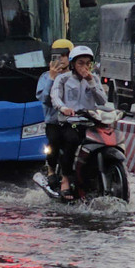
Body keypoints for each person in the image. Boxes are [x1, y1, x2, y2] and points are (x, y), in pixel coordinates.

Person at [50, 45, 108, 199]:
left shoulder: (94, 79)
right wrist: (63, 108)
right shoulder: (63, 79)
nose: (85, 67)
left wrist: (91, 83)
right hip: (70, 122)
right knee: (72, 140)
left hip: (89, 122)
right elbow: (55, 97)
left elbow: (102, 101)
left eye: (88, 63)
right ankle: (66, 179)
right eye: (81, 63)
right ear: (73, 65)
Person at [37, 39, 73, 189]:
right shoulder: (45, 77)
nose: (61, 59)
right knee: (54, 141)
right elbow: (44, 99)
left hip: (74, 121)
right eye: (57, 55)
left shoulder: (77, 76)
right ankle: (51, 170)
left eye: (64, 55)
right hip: (54, 121)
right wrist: (52, 78)